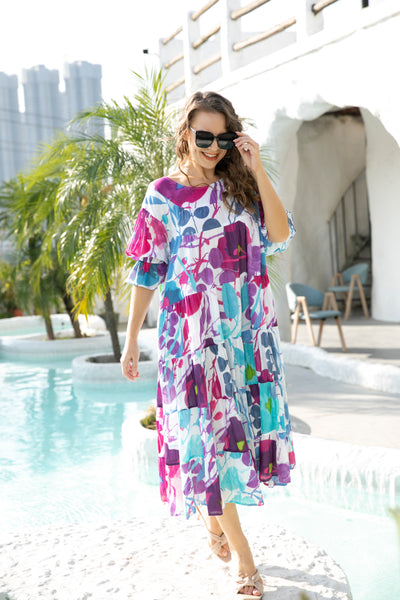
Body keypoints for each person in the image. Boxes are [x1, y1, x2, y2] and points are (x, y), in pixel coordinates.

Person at [121, 91, 296, 598]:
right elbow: (148, 271)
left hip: (242, 336)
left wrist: (255, 168)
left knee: (227, 440)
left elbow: (279, 234)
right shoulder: (161, 195)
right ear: (185, 135)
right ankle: (245, 558)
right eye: (204, 136)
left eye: (223, 137)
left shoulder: (238, 187)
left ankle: (214, 521)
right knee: (212, 440)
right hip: (190, 339)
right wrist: (131, 340)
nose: (214, 147)